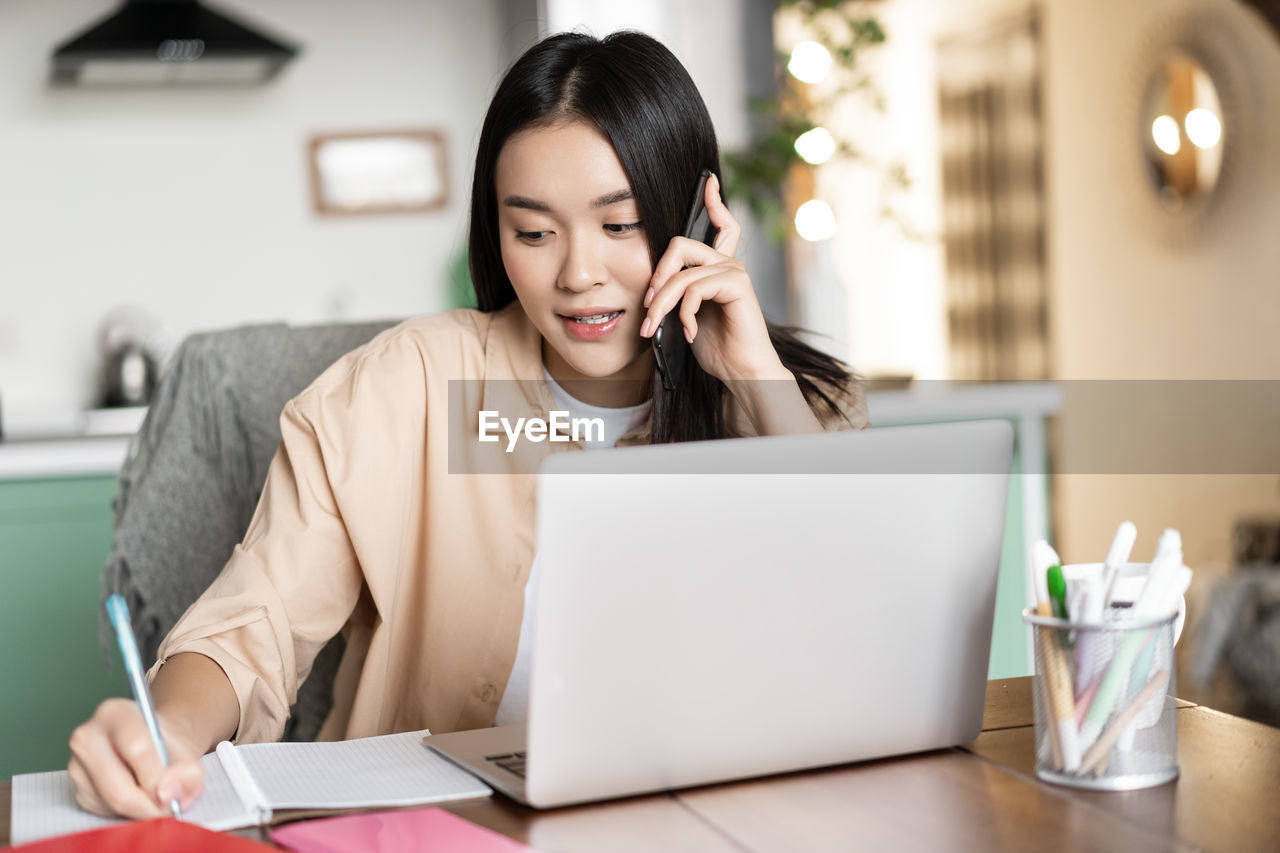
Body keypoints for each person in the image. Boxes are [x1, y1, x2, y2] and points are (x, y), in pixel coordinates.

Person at [67, 30, 869, 819]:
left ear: (699, 218)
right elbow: (257, 619)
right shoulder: (408, 386)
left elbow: (860, 644)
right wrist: (168, 725)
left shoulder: (803, 408)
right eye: (533, 232)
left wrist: (754, 383)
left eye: (619, 225)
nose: (578, 273)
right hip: (431, 830)